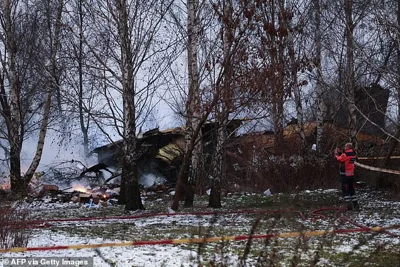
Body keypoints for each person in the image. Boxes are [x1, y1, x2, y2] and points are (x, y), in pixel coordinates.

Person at [334, 143, 360, 211]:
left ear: (348, 147)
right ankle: (355, 204)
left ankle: (349, 206)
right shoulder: (353, 153)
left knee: (346, 190)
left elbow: (339, 159)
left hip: (345, 176)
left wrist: (336, 154)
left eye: (345, 147)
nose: (344, 148)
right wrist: (340, 153)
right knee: (352, 190)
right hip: (351, 175)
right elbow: (345, 159)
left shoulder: (346, 154)